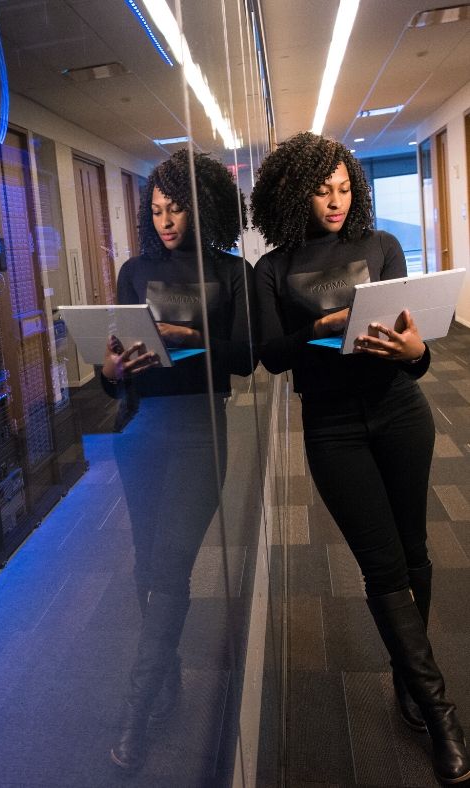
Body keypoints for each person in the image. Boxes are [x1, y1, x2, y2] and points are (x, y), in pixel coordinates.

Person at [250, 131, 469, 784]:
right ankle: (439, 713)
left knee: (415, 551)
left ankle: (408, 675)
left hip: (401, 413)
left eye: (345, 188)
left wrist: (416, 353)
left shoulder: (383, 247)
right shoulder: (273, 269)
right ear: (295, 192)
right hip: (333, 428)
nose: (337, 201)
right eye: (323, 190)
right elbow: (271, 355)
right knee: (381, 567)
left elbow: (416, 347)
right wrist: (316, 330)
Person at [101, 149, 255, 771]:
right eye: (157, 210)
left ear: (203, 206)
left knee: (168, 570)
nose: (166, 220)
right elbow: (112, 372)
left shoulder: (230, 270)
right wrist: (111, 370)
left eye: (177, 208)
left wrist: (193, 339)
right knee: (147, 568)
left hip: (199, 432)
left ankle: (137, 710)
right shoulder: (134, 270)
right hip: (141, 429)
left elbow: (247, 358)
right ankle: (167, 681)